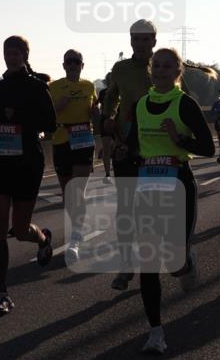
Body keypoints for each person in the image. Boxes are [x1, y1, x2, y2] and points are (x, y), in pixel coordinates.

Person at [113, 48, 216, 353]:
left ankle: (186, 262)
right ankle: (156, 332)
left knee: (174, 263)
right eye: (155, 65)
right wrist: (122, 149)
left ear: (177, 72)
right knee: (148, 263)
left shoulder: (184, 104)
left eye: (166, 66)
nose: (159, 70)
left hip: (178, 186)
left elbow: (208, 148)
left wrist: (178, 139)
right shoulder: (142, 104)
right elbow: (134, 144)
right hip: (147, 188)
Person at [0, 35, 57, 314]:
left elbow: (50, 124)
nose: (10, 56)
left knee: (20, 230)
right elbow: (3, 120)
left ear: (24, 55)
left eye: (15, 52)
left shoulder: (37, 87)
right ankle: (2, 293)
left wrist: (18, 116)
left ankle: (43, 239)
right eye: (6, 52)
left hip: (26, 163)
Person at [101, 19, 155, 291]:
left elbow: (183, 99)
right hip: (126, 148)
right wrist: (107, 119)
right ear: (131, 41)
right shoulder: (121, 69)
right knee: (125, 210)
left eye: (147, 39)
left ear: (154, 41)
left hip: (158, 151)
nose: (141, 44)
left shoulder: (164, 68)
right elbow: (109, 98)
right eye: (137, 39)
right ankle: (126, 264)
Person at [48, 49, 98, 263]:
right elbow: (46, 115)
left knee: (77, 190)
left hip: (84, 139)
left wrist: (97, 113)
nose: (72, 65)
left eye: (76, 62)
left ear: (82, 65)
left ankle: (76, 238)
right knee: (68, 193)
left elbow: (93, 112)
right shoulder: (54, 87)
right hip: (61, 140)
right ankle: (78, 228)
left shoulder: (89, 86)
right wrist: (58, 106)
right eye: (69, 62)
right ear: (63, 65)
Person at [97, 72, 114, 184]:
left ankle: (109, 173)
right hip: (107, 120)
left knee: (110, 148)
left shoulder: (121, 91)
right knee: (107, 148)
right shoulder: (103, 93)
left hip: (116, 121)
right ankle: (107, 173)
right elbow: (96, 105)